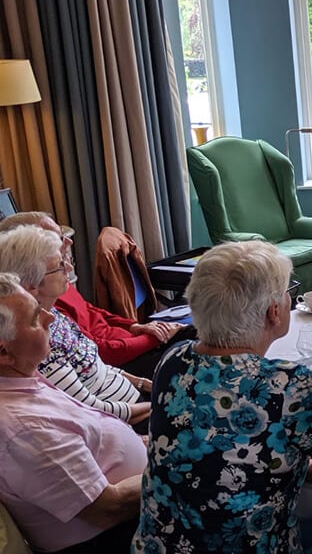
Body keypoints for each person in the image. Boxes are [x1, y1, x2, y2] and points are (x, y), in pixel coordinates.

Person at [133, 241, 312, 553]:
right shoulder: (289, 386)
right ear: (275, 311)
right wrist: (309, 469)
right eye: (287, 290)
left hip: (158, 548)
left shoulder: (172, 361)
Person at [0, 272, 146, 552]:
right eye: (34, 319)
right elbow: (108, 508)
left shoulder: (21, 377)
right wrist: (175, 466)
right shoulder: (25, 430)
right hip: (118, 536)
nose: (50, 318)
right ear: (4, 353)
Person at [0, 212, 186, 377]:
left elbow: (91, 311)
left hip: (131, 345)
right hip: (127, 356)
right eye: (56, 237)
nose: (68, 241)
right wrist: (153, 339)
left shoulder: (58, 281)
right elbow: (99, 353)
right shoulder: (45, 302)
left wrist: (134, 326)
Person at [0, 225, 150, 424]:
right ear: (32, 284)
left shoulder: (53, 314)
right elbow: (91, 410)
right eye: (60, 265)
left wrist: (145, 384)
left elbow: (95, 364)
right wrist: (159, 403)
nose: (69, 268)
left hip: (134, 400)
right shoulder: (37, 342)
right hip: (125, 420)